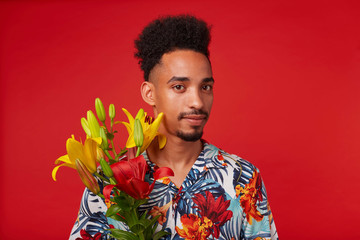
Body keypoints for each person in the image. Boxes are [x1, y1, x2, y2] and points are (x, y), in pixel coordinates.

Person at [70, 15, 278, 240]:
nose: (197, 102)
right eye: (179, 86)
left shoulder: (242, 178)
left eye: (206, 87)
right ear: (150, 93)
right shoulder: (110, 181)